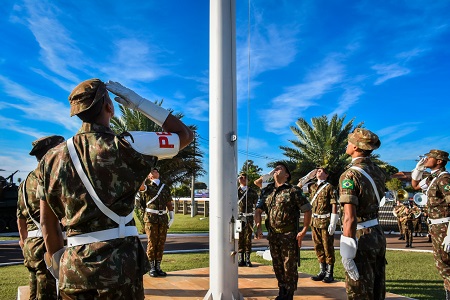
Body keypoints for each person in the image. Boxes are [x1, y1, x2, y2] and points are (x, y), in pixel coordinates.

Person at [37, 79, 193, 299]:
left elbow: (47, 222)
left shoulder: (51, 158)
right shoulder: (129, 144)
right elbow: (184, 135)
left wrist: (59, 266)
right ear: (109, 107)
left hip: (73, 269)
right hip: (120, 269)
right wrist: (138, 102)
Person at [339, 128, 387, 300]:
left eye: (350, 142)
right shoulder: (378, 172)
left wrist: (347, 253)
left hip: (361, 237)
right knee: (377, 287)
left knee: (358, 290)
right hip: (377, 234)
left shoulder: (350, 175)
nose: (347, 144)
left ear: (357, 147)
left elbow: (349, 217)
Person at [254, 162, 312, 300]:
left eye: (280, 168)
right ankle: (282, 291)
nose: (276, 169)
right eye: (275, 168)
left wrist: (304, 230)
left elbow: (307, 209)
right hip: (273, 235)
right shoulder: (267, 191)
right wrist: (258, 226)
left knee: (289, 266)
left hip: (289, 235)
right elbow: (258, 210)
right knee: (277, 265)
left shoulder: (293, 191)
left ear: (287, 175)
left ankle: (289, 294)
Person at [17, 135, 65, 299]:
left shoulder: (25, 182)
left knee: (34, 293)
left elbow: (20, 218)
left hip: (31, 246)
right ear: (51, 152)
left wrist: (24, 242)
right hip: (48, 244)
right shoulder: (52, 177)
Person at [411, 149, 450, 298]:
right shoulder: (432, 179)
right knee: (442, 263)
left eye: (430, 157)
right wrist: (417, 170)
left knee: (445, 264)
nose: (426, 159)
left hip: (445, 226)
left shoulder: (444, 179)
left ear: (439, 161)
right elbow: (415, 186)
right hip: (436, 226)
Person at [297, 167, 338, 283]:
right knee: (318, 246)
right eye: (317, 171)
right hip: (314, 221)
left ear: (326, 175)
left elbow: (334, 204)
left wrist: (333, 222)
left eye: (320, 171)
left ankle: (330, 273)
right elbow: (298, 187)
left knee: (327, 247)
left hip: (325, 221)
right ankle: (322, 271)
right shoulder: (312, 186)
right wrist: (308, 176)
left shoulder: (330, 187)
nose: (318, 173)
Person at [136, 168, 174, 277]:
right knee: (152, 242)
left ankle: (158, 266)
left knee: (161, 243)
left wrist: (172, 217)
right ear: (149, 176)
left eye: (156, 170)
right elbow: (141, 187)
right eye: (151, 171)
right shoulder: (148, 187)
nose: (154, 171)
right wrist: (142, 174)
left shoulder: (165, 187)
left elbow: (168, 202)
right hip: (150, 219)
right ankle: (151, 267)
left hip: (163, 218)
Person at [236, 172, 258, 267]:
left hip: (248, 217)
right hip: (239, 217)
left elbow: (257, 206)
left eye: (245, 178)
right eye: (241, 178)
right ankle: (241, 258)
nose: (243, 179)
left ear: (248, 180)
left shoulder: (252, 192)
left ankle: (248, 259)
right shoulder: (235, 191)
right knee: (240, 237)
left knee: (248, 238)